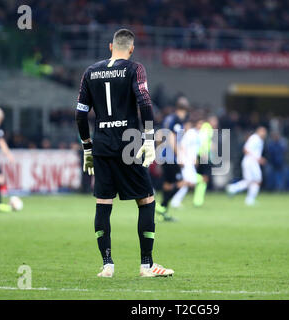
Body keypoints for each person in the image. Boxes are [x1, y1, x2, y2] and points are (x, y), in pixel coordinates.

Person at [75, 29, 173, 278]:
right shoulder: (134, 68)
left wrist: (87, 147)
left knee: (103, 203)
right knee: (147, 200)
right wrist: (149, 138)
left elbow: (80, 114)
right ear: (131, 49)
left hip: (102, 146)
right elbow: (145, 102)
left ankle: (107, 265)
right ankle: (147, 265)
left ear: (110, 46)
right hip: (129, 144)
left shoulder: (90, 71)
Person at [155, 97, 189, 220]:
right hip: (171, 156)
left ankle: (163, 214)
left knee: (168, 184)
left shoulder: (167, 119)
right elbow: (171, 138)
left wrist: (158, 154)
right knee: (181, 183)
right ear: (184, 109)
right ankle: (162, 206)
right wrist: (178, 156)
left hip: (164, 155)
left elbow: (159, 135)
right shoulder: (176, 120)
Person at [226, 126, 267, 206]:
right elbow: (245, 149)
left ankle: (233, 188)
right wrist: (257, 159)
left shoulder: (260, 140)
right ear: (258, 131)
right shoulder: (254, 138)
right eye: (262, 131)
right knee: (257, 180)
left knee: (250, 181)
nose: (264, 133)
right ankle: (249, 199)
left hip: (252, 162)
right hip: (250, 162)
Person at [169, 119, 202, 208]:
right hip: (186, 161)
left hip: (189, 161)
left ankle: (175, 200)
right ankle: (172, 197)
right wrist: (182, 159)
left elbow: (193, 149)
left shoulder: (195, 134)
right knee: (188, 182)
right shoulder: (191, 134)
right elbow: (183, 146)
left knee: (188, 182)